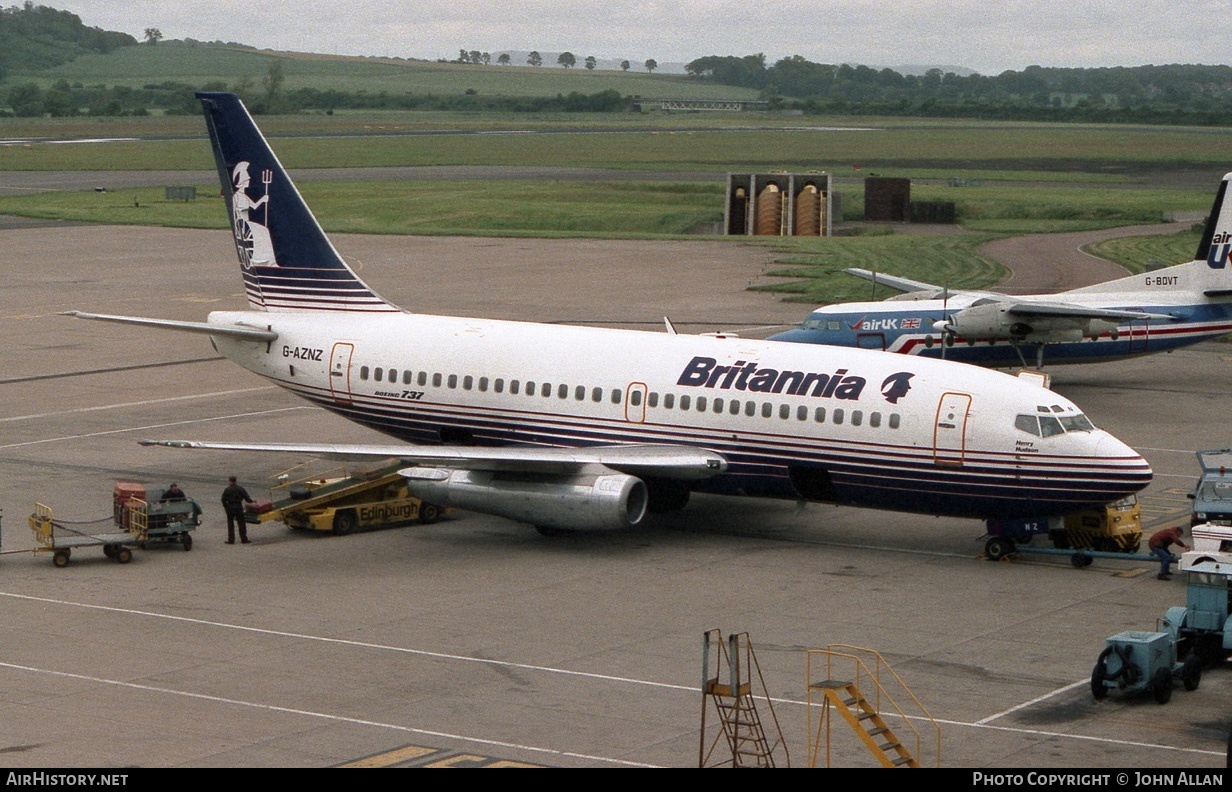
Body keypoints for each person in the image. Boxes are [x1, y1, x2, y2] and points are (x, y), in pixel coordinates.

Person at [221, 476, 255, 545]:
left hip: (230, 507)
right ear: (235, 481)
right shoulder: (240, 488)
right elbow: (247, 498)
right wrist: (253, 502)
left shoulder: (227, 489)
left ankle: (231, 540)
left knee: (230, 524)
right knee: (241, 523)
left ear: (230, 481)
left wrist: (226, 507)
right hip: (238, 506)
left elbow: (223, 499)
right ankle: (244, 539)